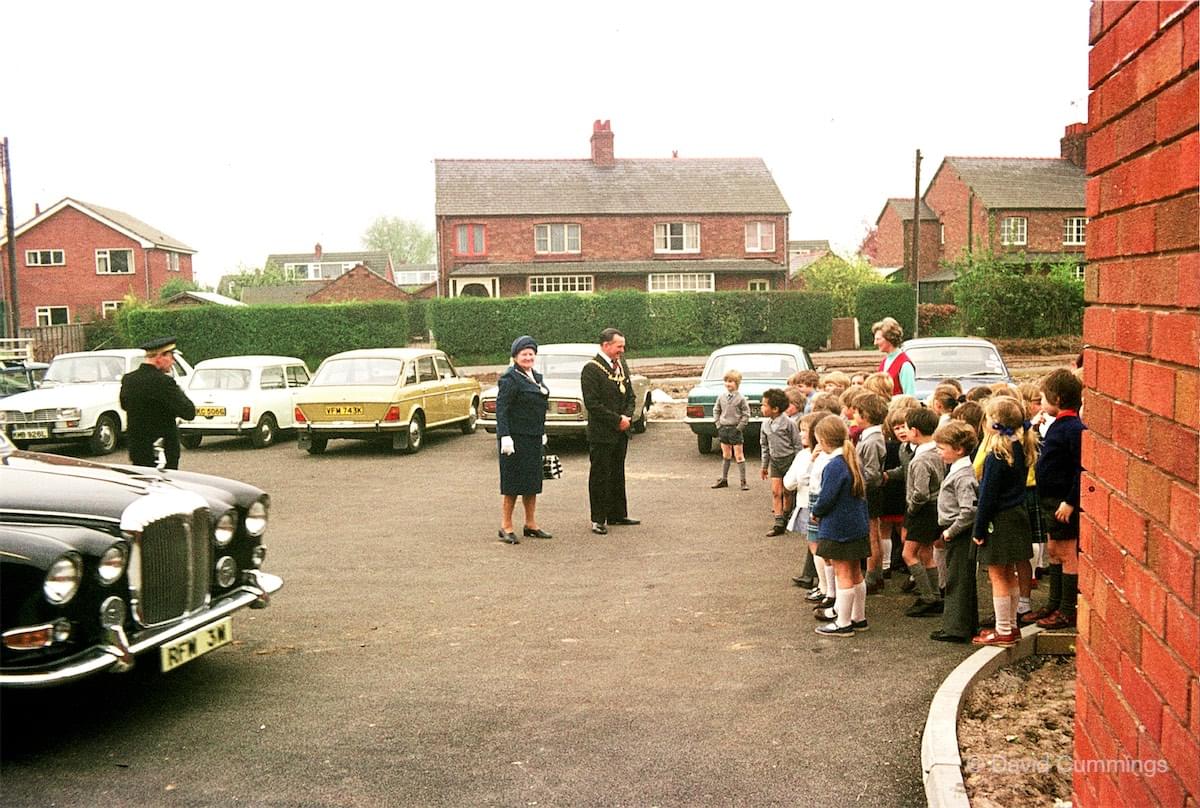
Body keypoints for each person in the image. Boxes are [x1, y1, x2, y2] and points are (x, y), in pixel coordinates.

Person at [970, 397, 1038, 646]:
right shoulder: (1020, 446)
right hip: (1018, 515)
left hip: (1000, 520)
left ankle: (1003, 629)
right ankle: (1011, 625)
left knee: (997, 575)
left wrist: (979, 529)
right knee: (1010, 573)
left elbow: (988, 497)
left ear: (995, 423)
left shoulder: (996, 456)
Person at [1026, 369, 1086, 630]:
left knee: (1066, 552)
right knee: (1053, 550)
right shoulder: (1058, 425)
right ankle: (1054, 602)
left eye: (1043, 398)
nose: (1041, 403)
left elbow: (1081, 468)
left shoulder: (1073, 428)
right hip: (1050, 499)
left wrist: (1071, 501)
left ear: (1058, 399)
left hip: (1063, 502)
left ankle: (1067, 609)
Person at [810, 416, 871, 637]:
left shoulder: (834, 465)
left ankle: (843, 623)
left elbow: (826, 497)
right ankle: (858, 617)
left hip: (838, 528)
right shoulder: (852, 460)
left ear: (824, 440)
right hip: (857, 526)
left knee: (842, 573)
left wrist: (816, 512)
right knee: (856, 573)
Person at [581, 328, 639, 535]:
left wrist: (627, 416)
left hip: (621, 431)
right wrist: (617, 420)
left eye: (623, 346)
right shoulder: (591, 369)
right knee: (600, 475)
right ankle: (598, 519)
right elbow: (592, 404)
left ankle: (617, 514)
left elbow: (630, 396)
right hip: (602, 433)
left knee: (617, 473)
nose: (622, 350)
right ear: (606, 345)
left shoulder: (621, 364)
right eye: (619, 346)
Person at [495, 336, 552, 545]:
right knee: (512, 484)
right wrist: (505, 436)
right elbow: (502, 409)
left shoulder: (535, 376)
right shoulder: (510, 379)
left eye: (531, 354)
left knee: (532, 483)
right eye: (523, 354)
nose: (528, 357)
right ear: (515, 357)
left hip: (533, 437)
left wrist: (542, 431)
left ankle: (530, 524)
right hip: (515, 439)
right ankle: (506, 526)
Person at [930, 420, 980, 643]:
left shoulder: (962, 476)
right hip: (955, 531)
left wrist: (951, 531)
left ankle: (956, 628)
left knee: (957, 579)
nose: (939, 452)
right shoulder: (958, 471)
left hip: (958, 533)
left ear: (958, 449)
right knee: (960, 577)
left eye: (942, 448)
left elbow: (969, 510)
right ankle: (966, 624)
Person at [119, 336, 196, 470]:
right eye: (171, 357)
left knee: (143, 482)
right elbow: (189, 412)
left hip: (138, 449)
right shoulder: (164, 383)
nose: (173, 362)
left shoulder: (129, 380)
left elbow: (125, 405)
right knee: (164, 483)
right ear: (160, 357)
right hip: (162, 452)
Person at [900, 407, 947, 617]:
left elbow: (920, 492)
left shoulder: (920, 459)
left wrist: (911, 509)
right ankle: (936, 594)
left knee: (908, 554)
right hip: (936, 508)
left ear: (915, 431)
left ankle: (928, 596)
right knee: (926, 552)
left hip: (923, 510)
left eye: (906, 428)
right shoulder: (938, 451)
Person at [853, 393, 889, 593]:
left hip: (869, 493)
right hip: (870, 491)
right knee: (873, 533)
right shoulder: (869, 436)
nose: (854, 416)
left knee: (872, 536)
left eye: (856, 412)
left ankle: (872, 576)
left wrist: (858, 484)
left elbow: (872, 474)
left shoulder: (872, 440)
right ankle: (877, 574)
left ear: (865, 415)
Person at [759, 388, 802, 536]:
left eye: (764, 405)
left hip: (789, 460)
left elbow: (797, 445)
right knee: (776, 491)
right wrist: (764, 465)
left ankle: (786, 515)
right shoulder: (765, 425)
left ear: (775, 409)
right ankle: (778, 523)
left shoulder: (789, 423)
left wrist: (798, 465)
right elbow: (764, 446)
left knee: (787, 491)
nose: (761, 408)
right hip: (775, 462)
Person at [711, 369, 751, 490]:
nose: (728, 384)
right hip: (723, 429)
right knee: (726, 455)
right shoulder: (721, 397)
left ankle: (743, 481)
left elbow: (746, 414)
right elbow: (716, 410)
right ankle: (724, 479)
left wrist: (739, 427)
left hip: (735, 430)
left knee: (739, 455)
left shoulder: (741, 398)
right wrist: (718, 424)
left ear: (737, 383)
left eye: (731, 381)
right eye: (726, 381)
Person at [872, 317, 915, 396]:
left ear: (889, 338)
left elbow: (910, 396)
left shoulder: (905, 365)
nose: (875, 343)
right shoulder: (884, 362)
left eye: (878, 339)